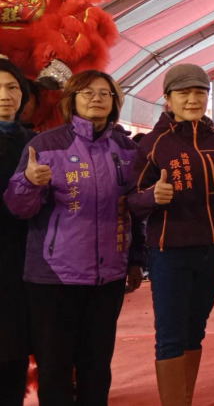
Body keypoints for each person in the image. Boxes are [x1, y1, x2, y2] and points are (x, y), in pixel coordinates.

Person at [3, 69, 143, 406]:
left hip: (107, 278)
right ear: (72, 100)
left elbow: (133, 207)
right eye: (87, 92)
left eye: (105, 93)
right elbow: (19, 208)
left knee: (97, 368)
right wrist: (29, 182)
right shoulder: (45, 145)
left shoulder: (126, 149)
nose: (97, 98)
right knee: (55, 369)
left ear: (115, 102)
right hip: (53, 278)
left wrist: (136, 259)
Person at [127, 64, 214, 405]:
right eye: (184, 93)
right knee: (170, 334)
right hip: (170, 251)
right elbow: (131, 199)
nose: (193, 99)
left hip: (213, 251)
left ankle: (185, 398)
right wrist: (152, 197)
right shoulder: (154, 143)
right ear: (168, 99)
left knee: (195, 330)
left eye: (200, 92)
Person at [0, 59, 34, 404]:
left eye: (12, 87)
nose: (4, 95)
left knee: (15, 349)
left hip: (23, 259)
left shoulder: (36, 142)